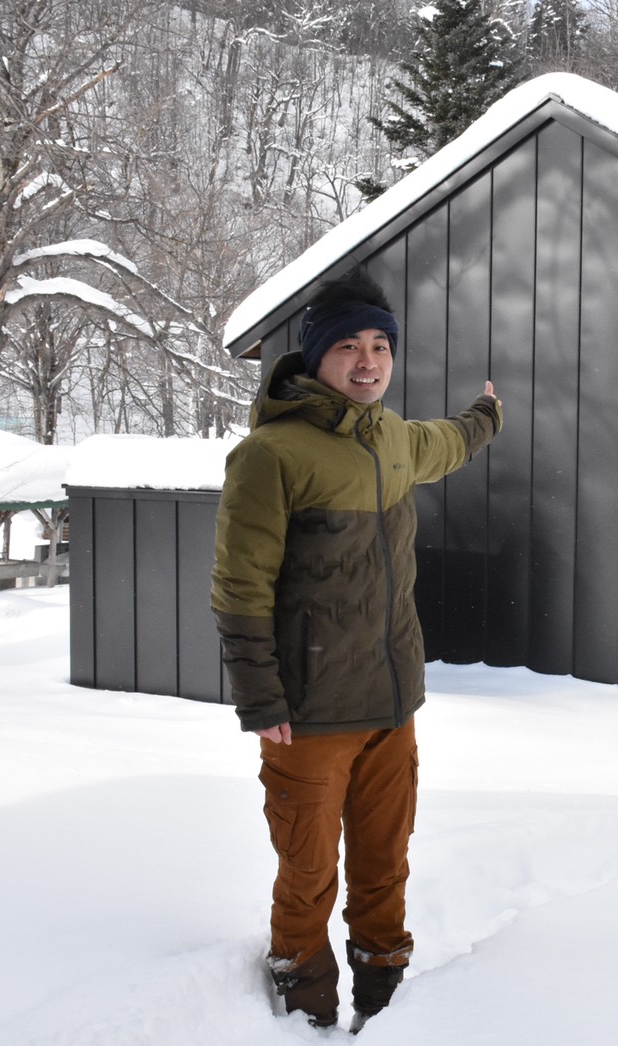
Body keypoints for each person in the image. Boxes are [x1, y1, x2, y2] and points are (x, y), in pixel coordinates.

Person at [211, 269, 502, 1032]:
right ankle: (303, 1008)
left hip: (391, 705)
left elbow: (453, 441)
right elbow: (240, 586)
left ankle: (390, 1006)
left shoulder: (395, 439)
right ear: (314, 357)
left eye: (381, 345)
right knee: (308, 875)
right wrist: (260, 698)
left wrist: (487, 414)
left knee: (385, 867)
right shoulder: (273, 455)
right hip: (307, 713)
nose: (368, 361)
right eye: (349, 346)